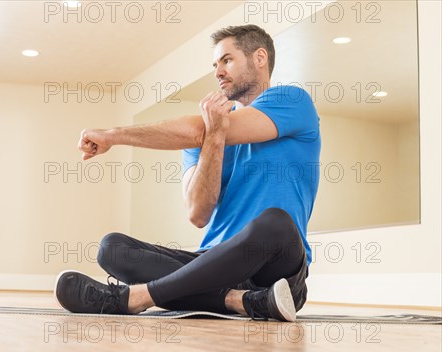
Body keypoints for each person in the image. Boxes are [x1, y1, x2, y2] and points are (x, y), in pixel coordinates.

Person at [54, 24, 321, 322]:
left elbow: (199, 130)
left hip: (276, 270)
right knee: (112, 249)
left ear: (260, 58)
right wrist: (213, 139)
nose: (218, 71)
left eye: (227, 60)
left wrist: (113, 135)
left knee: (276, 223)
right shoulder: (200, 139)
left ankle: (137, 297)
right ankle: (242, 302)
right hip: (212, 265)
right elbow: (197, 213)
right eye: (215, 64)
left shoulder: (292, 101)